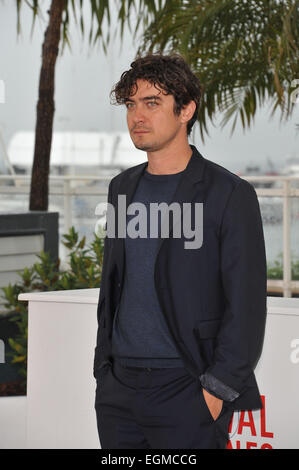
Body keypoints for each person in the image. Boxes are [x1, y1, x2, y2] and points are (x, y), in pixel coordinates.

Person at [93, 53, 267, 449]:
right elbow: (115, 285)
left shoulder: (229, 194)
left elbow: (247, 305)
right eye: (131, 104)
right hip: (118, 392)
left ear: (185, 109)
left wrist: (215, 391)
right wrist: (103, 369)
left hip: (187, 387)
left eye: (152, 103)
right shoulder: (121, 188)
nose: (138, 115)